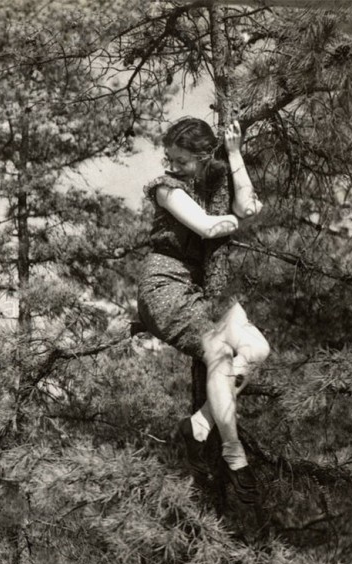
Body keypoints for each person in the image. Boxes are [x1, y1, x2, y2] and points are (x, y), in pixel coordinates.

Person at [136, 118, 270, 503]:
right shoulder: (165, 188)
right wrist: (240, 219)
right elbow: (210, 227)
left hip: (200, 293)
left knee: (257, 349)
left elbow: (247, 203)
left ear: (203, 156)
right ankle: (234, 455)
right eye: (169, 158)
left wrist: (234, 154)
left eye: (182, 161)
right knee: (218, 352)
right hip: (163, 288)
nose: (172, 166)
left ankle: (198, 425)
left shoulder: (216, 179)